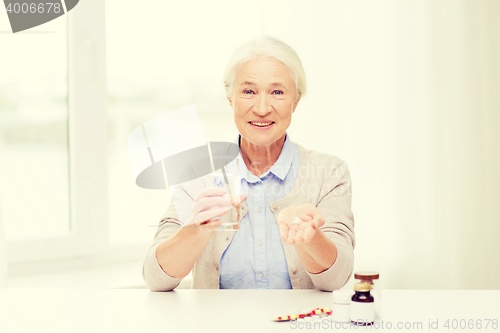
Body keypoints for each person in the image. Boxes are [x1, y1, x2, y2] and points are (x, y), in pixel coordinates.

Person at [143, 36, 355, 291]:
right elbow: (156, 280)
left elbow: (337, 279)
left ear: (296, 101)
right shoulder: (198, 171)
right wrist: (197, 229)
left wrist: (310, 238)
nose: (262, 108)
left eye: (277, 92)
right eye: (249, 91)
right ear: (230, 97)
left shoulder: (329, 172)